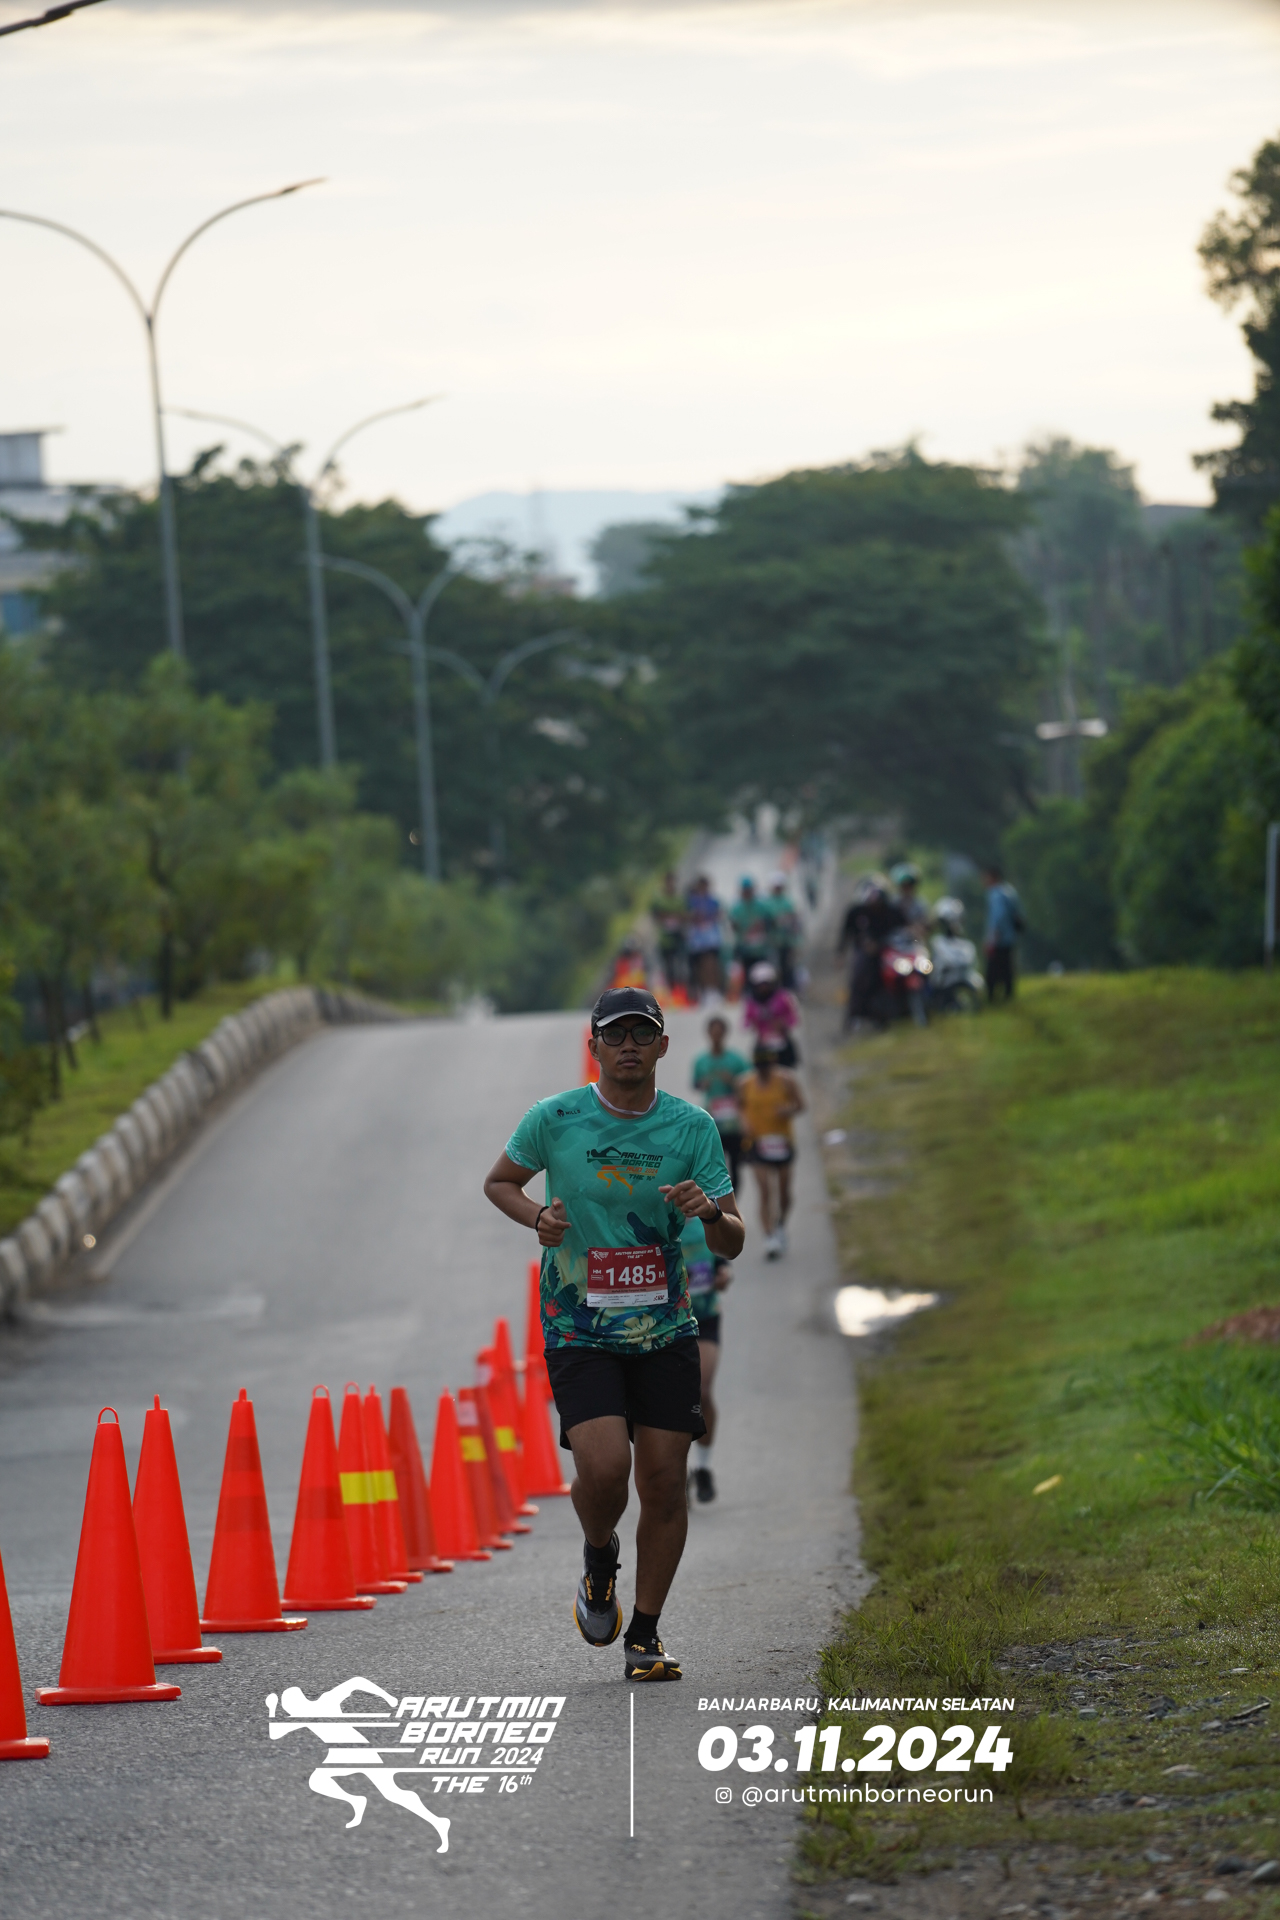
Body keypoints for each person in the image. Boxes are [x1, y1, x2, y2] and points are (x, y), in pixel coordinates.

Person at [483, 986, 744, 1682]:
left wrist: (708, 1214)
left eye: (642, 1034)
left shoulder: (692, 1128)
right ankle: (600, 1555)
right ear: (594, 1045)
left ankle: (646, 1633)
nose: (629, 1045)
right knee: (604, 1472)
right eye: (616, 1034)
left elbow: (733, 1239)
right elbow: (500, 1182)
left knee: (664, 1483)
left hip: (665, 1329)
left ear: (663, 1046)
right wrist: (537, 1218)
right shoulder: (554, 1118)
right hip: (580, 1326)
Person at [681, 1213, 733, 1505]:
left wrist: (723, 1276)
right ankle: (679, 1471)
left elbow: (723, 1266)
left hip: (704, 1317)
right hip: (667, 1323)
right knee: (672, 1399)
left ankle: (703, 1466)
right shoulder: (654, 1219)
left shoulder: (707, 1221)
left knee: (701, 1391)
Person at [737, 1043, 805, 1259]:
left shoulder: (787, 1080)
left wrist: (787, 1109)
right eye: (759, 1066)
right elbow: (739, 1106)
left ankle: (780, 1224)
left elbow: (801, 1105)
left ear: (773, 1063)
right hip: (758, 1143)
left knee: (784, 1193)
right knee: (765, 1191)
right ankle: (769, 1237)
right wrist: (744, 1122)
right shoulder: (745, 1083)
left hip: (782, 1142)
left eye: (766, 1066)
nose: (763, 1070)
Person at [692, 1015, 750, 1191]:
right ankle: (717, 1198)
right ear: (708, 1034)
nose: (716, 1036)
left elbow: (749, 1083)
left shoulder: (736, 1059)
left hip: (733, 1121)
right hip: (713, 1119)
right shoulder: (701, 1061)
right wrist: (703, 1084)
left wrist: (732, 1081)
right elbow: (695, 1083)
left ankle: (733, 1200)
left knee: (735, 1165)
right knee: (713, 1164)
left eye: (719, 1033)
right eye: (713, 1033)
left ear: (725, 1033)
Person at [837, 878, 906, 1028]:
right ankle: (855, 1016)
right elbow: (846, 934)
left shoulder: (892, 912)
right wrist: (840, 954)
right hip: (865, 953)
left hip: (890, 952)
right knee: (859, 978)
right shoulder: (856, 912)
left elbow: (905, 929)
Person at [742, 960, 800, 1067]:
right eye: (760, 985)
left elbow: (794, 1019)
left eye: (766, 984)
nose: (763, 988)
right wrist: (754, 1025)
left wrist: (784, 1024)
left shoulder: (784, 998)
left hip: (782, 1043)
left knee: (786, 1071)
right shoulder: (751, 1002)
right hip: (763, 1045)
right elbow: (745, 1023)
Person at [981, 863, 1023, 1004]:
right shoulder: (1009, 891)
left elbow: (997, 917)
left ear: (993, 877)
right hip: (1010, 938)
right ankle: (1008, 996)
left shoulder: (996, 894)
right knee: (1007, 969)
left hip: (999, 939)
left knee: (992, 971)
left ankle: (992, 999)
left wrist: (991, 939)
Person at [684, 875, 725, 999]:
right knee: (701, 964)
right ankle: (705, 990)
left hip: (711, 937)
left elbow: (718, 914)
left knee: (712, 963)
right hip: (698, 938)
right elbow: (688, 917)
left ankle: (715, 988)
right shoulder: (692, 901)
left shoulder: (713, 901)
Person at [649, 871, 687, 994]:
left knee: (681, 965)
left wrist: (669, 915)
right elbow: (656, 914)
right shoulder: (659, 899)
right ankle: (671, 991)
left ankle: (681, 990)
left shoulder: (679, 899)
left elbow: (684, 915)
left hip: (678, 936)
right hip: (665, 938)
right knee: (668, 966)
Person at [729, 877, 772, 982]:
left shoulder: (762, 906)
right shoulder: (736, 909)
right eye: (745, 890)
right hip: (745, 948)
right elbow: (734, 927)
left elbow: (768, 923)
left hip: (761, 949)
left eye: (749, 890)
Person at [765, 872, 802, 987]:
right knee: (774, 968)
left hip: (786, 942)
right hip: (772, 943)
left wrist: (796, 943)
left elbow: (794, 924)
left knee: (788, 968)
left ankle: (788, 988)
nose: (777, 889)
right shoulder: (766, 903)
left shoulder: (788, 903)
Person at [890, 863, 929, 936]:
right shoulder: (893, 903)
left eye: (910, 884)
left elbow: (924, 925)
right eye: (904, 885)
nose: (907, 887)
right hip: (895, 938)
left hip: (914, 938)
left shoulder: (920, 904)